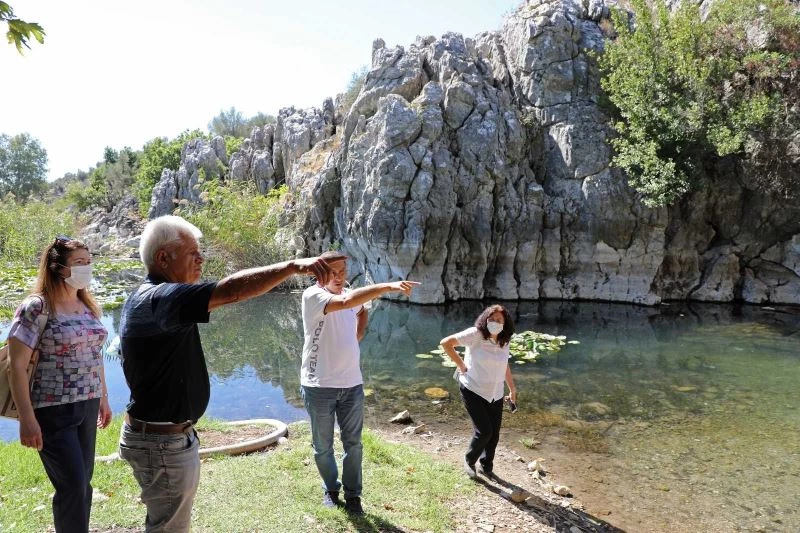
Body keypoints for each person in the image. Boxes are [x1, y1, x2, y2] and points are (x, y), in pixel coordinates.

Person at [118, 215, 331, 532]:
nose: (201, 259)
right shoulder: (159, 299)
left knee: (168, 523)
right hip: (162, 445)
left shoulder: (153, 300)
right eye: (192, 253)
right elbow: (230, 290)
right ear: (163, 258)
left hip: (165, 439)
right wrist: (291, 267)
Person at [300, 250, 420, 515]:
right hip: (318, 385)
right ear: (319, 273)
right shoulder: (313, 296)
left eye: (343, 271)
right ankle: (331, 488)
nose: (340, 276)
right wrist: (388, 286)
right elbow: (347, 302)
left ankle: (353, 495)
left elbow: (360, 310)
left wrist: (357, 335)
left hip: (352, 384)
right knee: (322, 445)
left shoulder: (350, 293)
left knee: (353, 443)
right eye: (333, 271)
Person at [7, 235, 112, 533]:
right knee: (73, 486)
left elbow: (96, 355)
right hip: (51, 408)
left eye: (89, 262)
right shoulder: (36, 308)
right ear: (58, 268)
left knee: (83, 485)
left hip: (87, 403)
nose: (87, 268)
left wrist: (103, 397)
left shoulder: (86, 304)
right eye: (80, 263)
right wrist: (27, 419)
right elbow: (16, 366)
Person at [440, 304, 517, 479]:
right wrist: (460, 364)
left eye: (499, 320)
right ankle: (469, 461)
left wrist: (512, 389)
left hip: (495, 393)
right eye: (491, 319)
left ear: (505, 323)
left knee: (494, 434)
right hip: (472, 388)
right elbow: (446, 343)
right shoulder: (475, 334)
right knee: (484, 431)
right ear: (485, 319)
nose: (494, 322)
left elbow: (505, 365)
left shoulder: (505, 340)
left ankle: (487, 466)